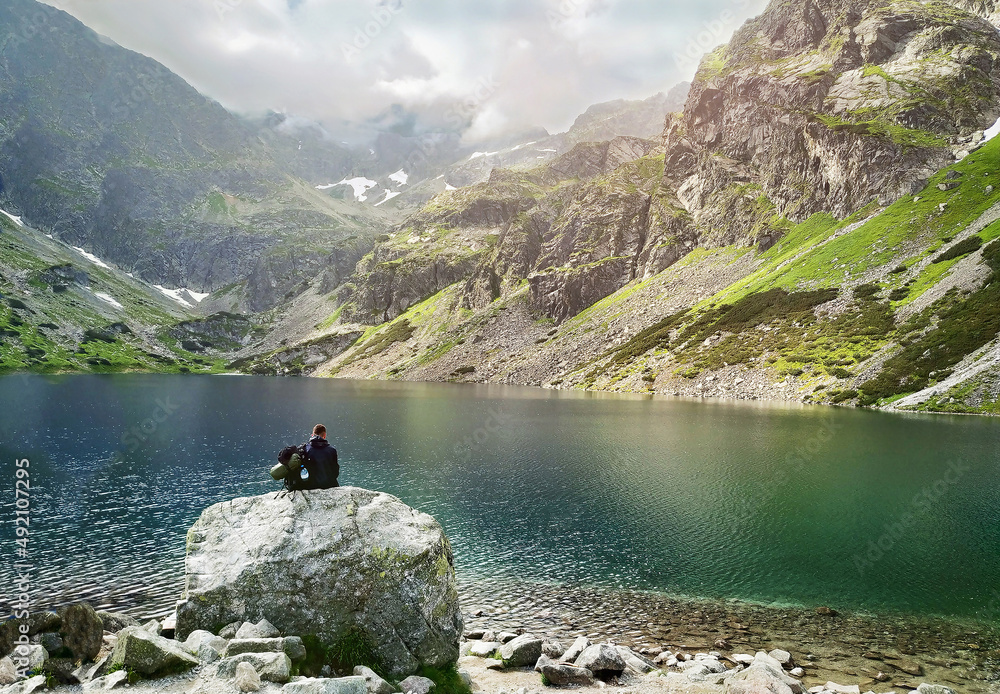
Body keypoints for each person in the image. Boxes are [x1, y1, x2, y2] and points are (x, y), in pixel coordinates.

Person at [290, 424, 339, 490]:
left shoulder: (304, 449)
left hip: (310, 486)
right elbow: (335, 472)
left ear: (312, 435)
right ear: (324, 435)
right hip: (329, 485)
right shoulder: (332, 450)